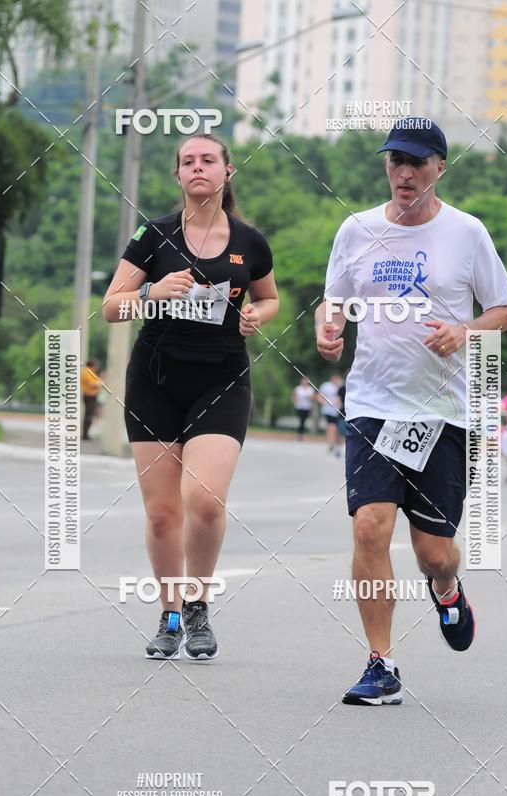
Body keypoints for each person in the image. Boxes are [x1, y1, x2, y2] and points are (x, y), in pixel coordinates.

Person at [316, 118, 507, 705]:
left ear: (439, 168)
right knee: (369, 526)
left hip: (441, 413)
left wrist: (464, 329)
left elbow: (503, 310)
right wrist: (330, 331)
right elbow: (336, 300)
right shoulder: (356, 231)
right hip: (373, 405)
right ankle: (381, 663)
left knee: (433, 552)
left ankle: (448, 588)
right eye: (395, 161)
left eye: (417, 162)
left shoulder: (467, 233)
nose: (404, 173)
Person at [102, 133, 279, 660]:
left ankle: (199, 602)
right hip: (154, 381)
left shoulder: (250, 241)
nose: (197, 168)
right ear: (177, 175)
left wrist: (255, 317)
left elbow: (269, 298)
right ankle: (170, 614)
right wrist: (150, 294)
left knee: (203, 500)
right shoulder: (152, 235)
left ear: (227, 172)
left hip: (220, 380)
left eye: (208, 160)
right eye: (187, 162)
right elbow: (112, 308)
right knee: (161, 515)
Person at [317, 373, 343, 457]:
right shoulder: (326, 386)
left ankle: (335, 443)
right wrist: (324, 403)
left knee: (337, 429)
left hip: (339, 411)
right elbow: (319, 396)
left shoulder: (341, 386)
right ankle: (331, 444)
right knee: (332, 427)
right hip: (328, 410)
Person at [81, 359, 102, 440]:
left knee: (89, 415)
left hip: (91, 397)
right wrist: (99, 383)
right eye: (96, 365)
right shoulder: (88, 372)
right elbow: (92, 384)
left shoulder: (90, 372)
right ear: (92, 365)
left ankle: (86, 434)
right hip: (89, 396)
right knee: (88, 415)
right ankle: (85, 435)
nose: (97, 367)